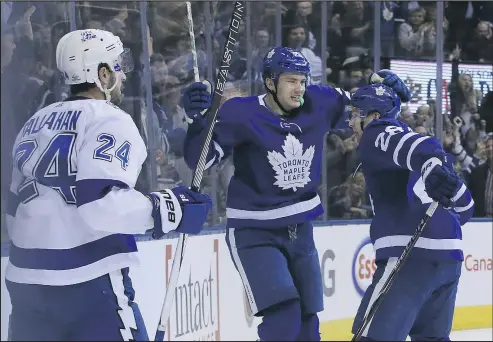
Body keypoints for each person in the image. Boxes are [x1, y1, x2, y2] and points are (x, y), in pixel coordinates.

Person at [180, 46, 411, 341]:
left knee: (307, 324)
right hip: (254, 231)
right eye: (291, 81)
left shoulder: (321, 101)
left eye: (302, 81)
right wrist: (196, 121)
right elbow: (200, 162)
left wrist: (385, 91)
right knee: (283, 317)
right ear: (270, 82)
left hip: (300, 229)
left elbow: (367, 109)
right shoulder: (242, 113)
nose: (299, 88)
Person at [5, 29, 212, 341]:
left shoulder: (34, 123)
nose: (123, 74)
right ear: (102, 74)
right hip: (87, 281)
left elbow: (11, 208)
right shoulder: (108, 119)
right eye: (118, 66)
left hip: (24, 281)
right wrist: (169, 209)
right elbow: (100, 203)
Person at [347, 84, 475, 341]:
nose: (350, 122)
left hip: (408, 258)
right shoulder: (411, 151)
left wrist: (429, 165)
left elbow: (420, 146)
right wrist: (440, 228)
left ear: (373, 115)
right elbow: (466, 206)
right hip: (449, 259)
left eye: (355, 114)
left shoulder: (377, 131)